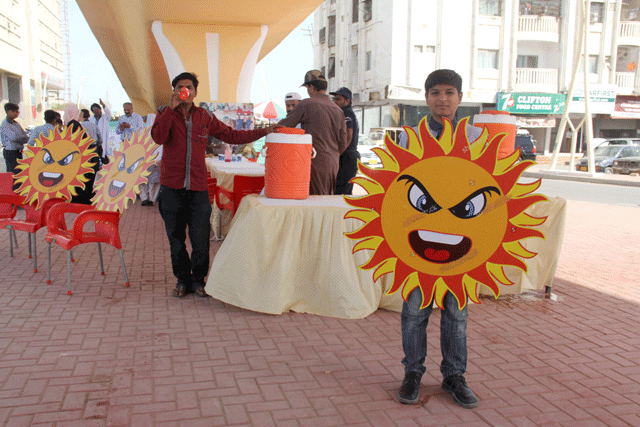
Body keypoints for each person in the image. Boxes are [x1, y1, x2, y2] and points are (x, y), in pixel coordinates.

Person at [151, 72, 281, 299]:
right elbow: (158, 138)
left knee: (200, 238)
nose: (185, 91)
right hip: (171, 188)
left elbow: (232, 135)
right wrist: (171, 110)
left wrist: (264, 131)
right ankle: (182, 280)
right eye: (180, 87)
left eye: (188, 87)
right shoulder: (164, 113)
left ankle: (198, 280)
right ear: (174, 91)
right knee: (176, 239)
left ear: (195, 92)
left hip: (198, 188)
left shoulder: (204, 117)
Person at [396, 69, 482, 409]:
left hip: (461, 243)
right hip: (419, 242)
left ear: (460, 97)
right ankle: (413, 372)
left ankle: (454, 376)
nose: (442, 99)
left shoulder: (477, 137)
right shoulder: (409, 138)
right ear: (426, 97)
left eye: (449, 92)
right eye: (435, 92)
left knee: (456, 315)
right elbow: (397, 191)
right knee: (414, 312)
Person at [278, 70, 348, 195]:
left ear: (311, 87)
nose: (307, 91)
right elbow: (343, 142)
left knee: (313, 202)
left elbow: (283, 126)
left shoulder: (307, 104)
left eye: (307, 87)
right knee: (326, 199)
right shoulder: (338, 110)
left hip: (314, 162)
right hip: (333, 163)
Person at [330, 87, 360, 195]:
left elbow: (348, 135)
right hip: (349, 156)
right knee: (343, 191)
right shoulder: (346, 112)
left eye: (338, 99)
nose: (335, 102)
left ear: (347, 101)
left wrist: (338, 153)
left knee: (342, 192)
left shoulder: (346, 112)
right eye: (334, 99)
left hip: (347, 156)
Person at [1, 103, 28, 175]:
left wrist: (22, 138)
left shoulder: (16, 123)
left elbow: (25, 135)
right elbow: (14, 137)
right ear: (8, 112)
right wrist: (21, 138)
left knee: (20, 172)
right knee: (13, 173)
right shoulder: (5, 124)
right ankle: (13, 186)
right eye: (14, 111)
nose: (17, 114)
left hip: (18, 151)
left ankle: (18, 186)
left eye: (17, 112)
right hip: (10, 152)